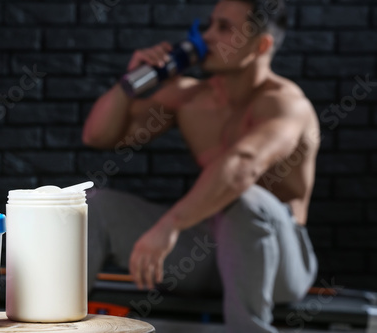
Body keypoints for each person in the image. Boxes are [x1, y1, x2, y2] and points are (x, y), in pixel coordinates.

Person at [82, 0, 319, 332]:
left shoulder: (285, 104)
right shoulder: (191, 98)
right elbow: (97, 135)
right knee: (95, 205)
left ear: (260, 44)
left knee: (245, 197)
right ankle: (62, 321)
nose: (206, 36)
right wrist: (131, 82)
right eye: (208, 25)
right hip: (206, 254)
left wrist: (170, 224)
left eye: (224, 28)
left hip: (279, 265)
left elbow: (242, 166)